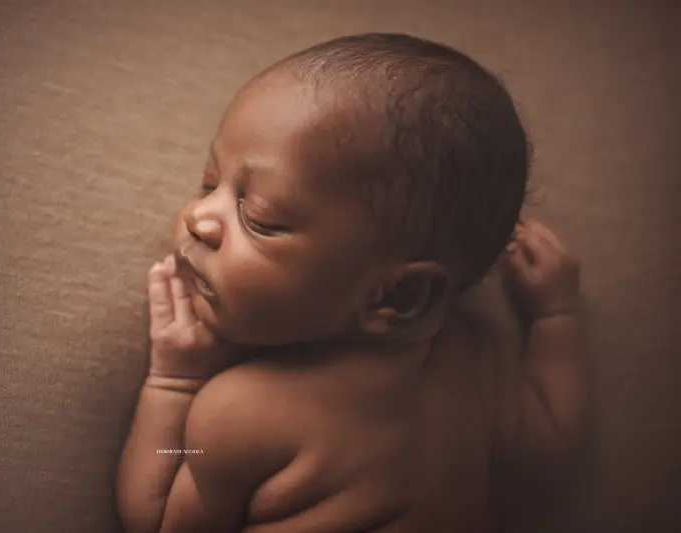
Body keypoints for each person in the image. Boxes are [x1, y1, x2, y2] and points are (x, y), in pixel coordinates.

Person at [116, 33, 590, 533]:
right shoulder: (480, 366)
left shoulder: (240, 413)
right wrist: (556, 315)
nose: (199, 218)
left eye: (259, 217)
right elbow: (555, 438)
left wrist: (175, 383)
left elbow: (155, 519)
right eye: (210, 183)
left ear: (398, 296)